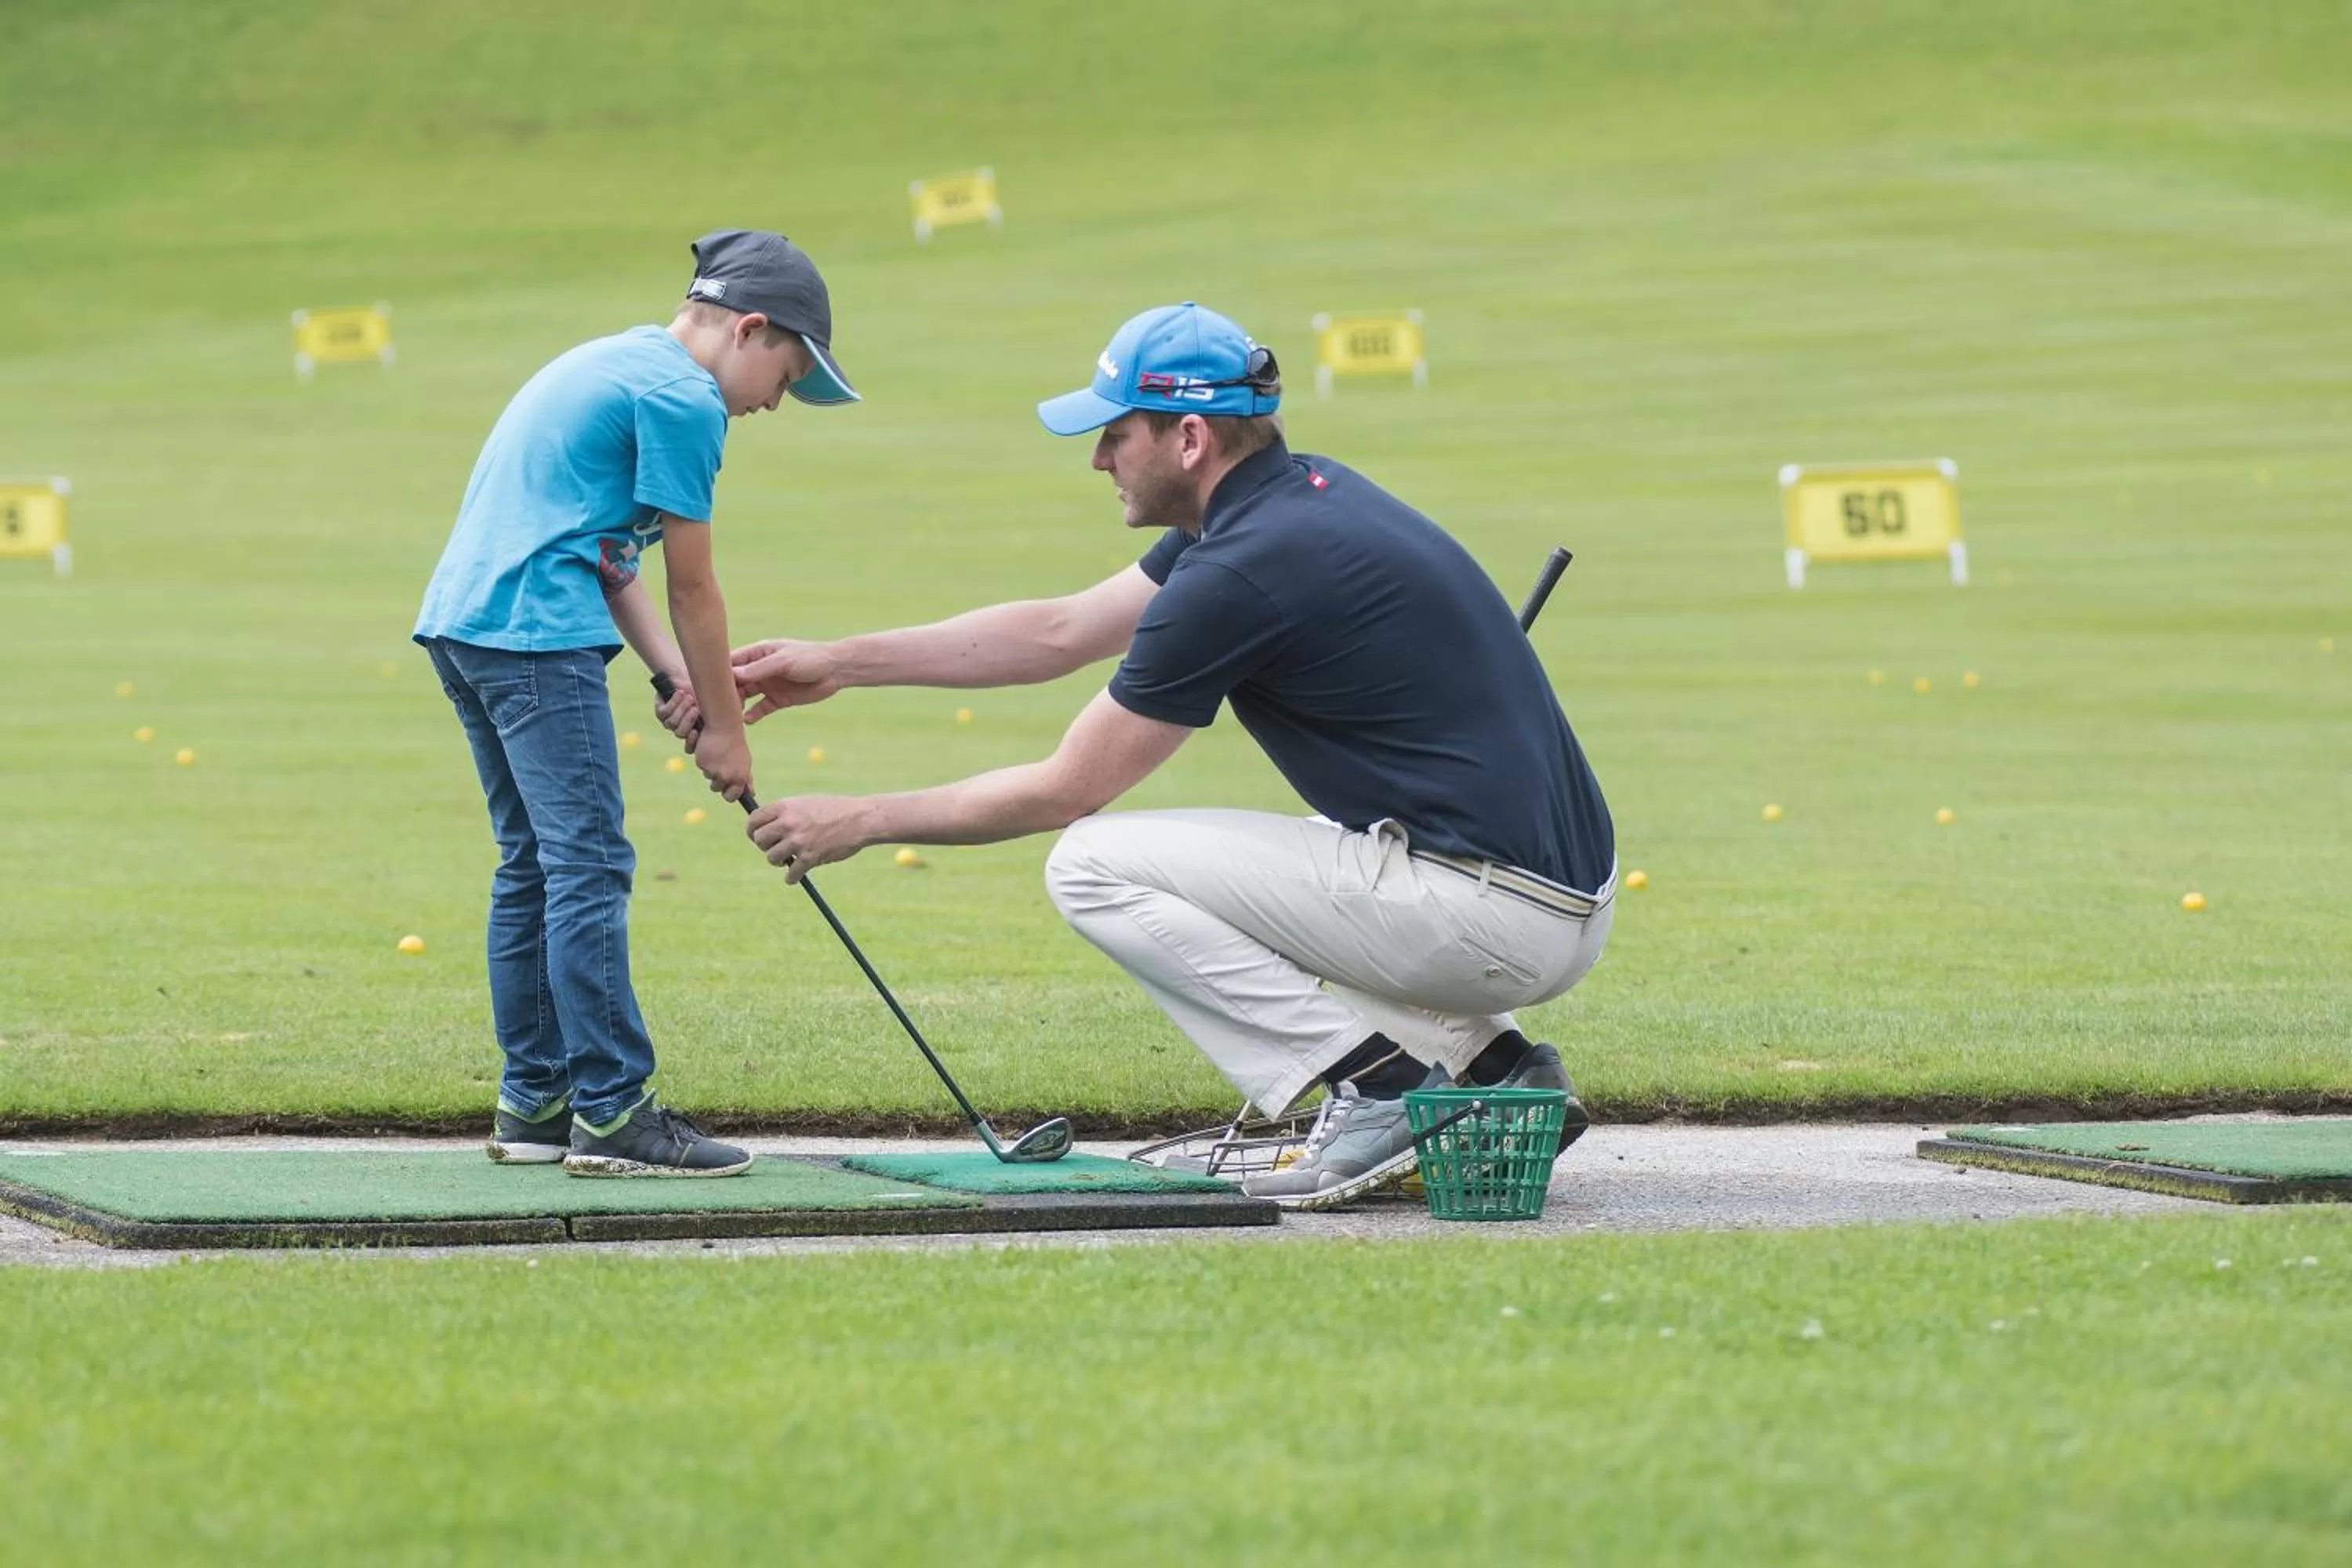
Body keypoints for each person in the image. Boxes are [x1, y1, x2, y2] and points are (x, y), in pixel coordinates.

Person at [729, 302, 1614, 1210]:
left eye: (1116, 434)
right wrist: (840, 661)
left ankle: (1379, 1088)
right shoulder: (1287, 501)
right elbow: (1062, 630)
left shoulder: (1238, 569)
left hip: (1490, 913)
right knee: (1291, 855)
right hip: (1545, 902)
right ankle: (1503, 1065)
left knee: (1093, 863)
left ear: (1189, 437)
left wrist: (863, 818)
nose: (1098, 458)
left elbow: (1065, 789)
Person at [413, 229, 859, 1178]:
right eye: (785, 374)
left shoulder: (614, 362)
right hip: (537, 633)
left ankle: (535, 1101)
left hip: (468, 625)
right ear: (748, 329)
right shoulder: (684, 399)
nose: (776, 402)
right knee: (589, 861)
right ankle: (613, 1109)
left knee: (534, 861)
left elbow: (611, 559)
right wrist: (730, 733)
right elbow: (695, 588)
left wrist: (684, 685)